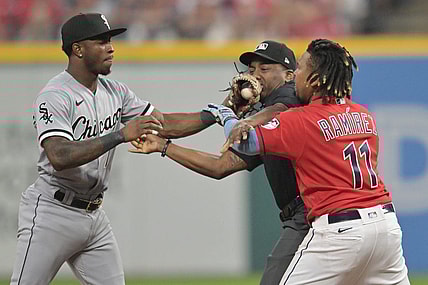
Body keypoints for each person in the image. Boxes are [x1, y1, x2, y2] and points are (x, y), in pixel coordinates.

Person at [10, 13, 222, 284]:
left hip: (93, 215)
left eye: (110, 41)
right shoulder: (55, 95)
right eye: (101, 41)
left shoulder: (115, 91)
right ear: (77, 49)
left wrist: (217, 114)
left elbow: (165, 124)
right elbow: (59, 156)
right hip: (52, 211)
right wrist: (120, 135)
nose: (110, 47)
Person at [221, 39, 410, 284]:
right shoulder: (364, 115)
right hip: (386, 227)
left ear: (316, 79)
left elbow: (245, 143)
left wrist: (224, 113)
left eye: (300, 69)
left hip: (339, 231)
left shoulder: (302, 119)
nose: (295, 75)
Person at [130, 40, 310, 285]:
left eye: (265, 69)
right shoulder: (263, 119)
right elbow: (220, 166)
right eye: (251, 69)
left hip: (310, 212)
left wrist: (244, 120)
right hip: (303, 215)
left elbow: (281, 109)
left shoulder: (290, 96)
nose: (255, 75)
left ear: (289, 75)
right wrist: (165, 146)